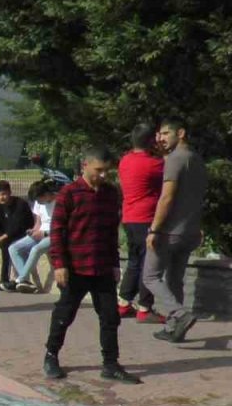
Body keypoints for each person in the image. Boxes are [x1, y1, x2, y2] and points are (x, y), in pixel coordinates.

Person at [43, 148, 141, 383]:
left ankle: (110, 363)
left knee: (110, 316)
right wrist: (59, 264)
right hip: (75, 267)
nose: (103, 176)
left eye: (107, 171)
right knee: (64, 314)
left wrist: (115, 264)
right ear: (85, 165)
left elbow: (111, 232)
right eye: (99, 170)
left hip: (102, 266)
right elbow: (57, 232)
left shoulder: (110, 193)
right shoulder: (69, 194)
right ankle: (51, 355)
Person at [145, 116, 210, 343]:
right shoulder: (197, 159)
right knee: (175, 280)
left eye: (165, 133)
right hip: (190, 231)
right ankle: (174, 329)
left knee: (150, 276)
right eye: (159, 134)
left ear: (180, 133)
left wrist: (154, 229)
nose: (161, 138)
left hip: (169, 231)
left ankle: (180, 314)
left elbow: (167, 197)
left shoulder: (175, 159)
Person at [117, 123, 164, 322]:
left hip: (129, 217)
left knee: (135, 262)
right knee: (149, 264)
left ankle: (124, 302)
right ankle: (145, 307)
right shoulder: (155, 164)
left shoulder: (125, 161)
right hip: (146, 219)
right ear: (151, 141)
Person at [0, 181, 32, 291]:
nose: (1, 198)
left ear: (10, 192)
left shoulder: (20, 204)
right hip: (7, 234)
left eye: (4, 194)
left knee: (6, 244)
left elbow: (14, 229)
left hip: (23, 233)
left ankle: (4, 279)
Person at [10, 182, 56, 292]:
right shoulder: (38, 203)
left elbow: (61, 227)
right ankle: (25, 280)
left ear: (46, 194)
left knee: (35, 249)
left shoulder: (59, 202)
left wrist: (44, 233)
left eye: (40, 199)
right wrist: (33, 230)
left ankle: (20, 279)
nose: (38, 202)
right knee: (13, 248)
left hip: (53, 234)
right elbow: (38, 222)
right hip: (40, 233)